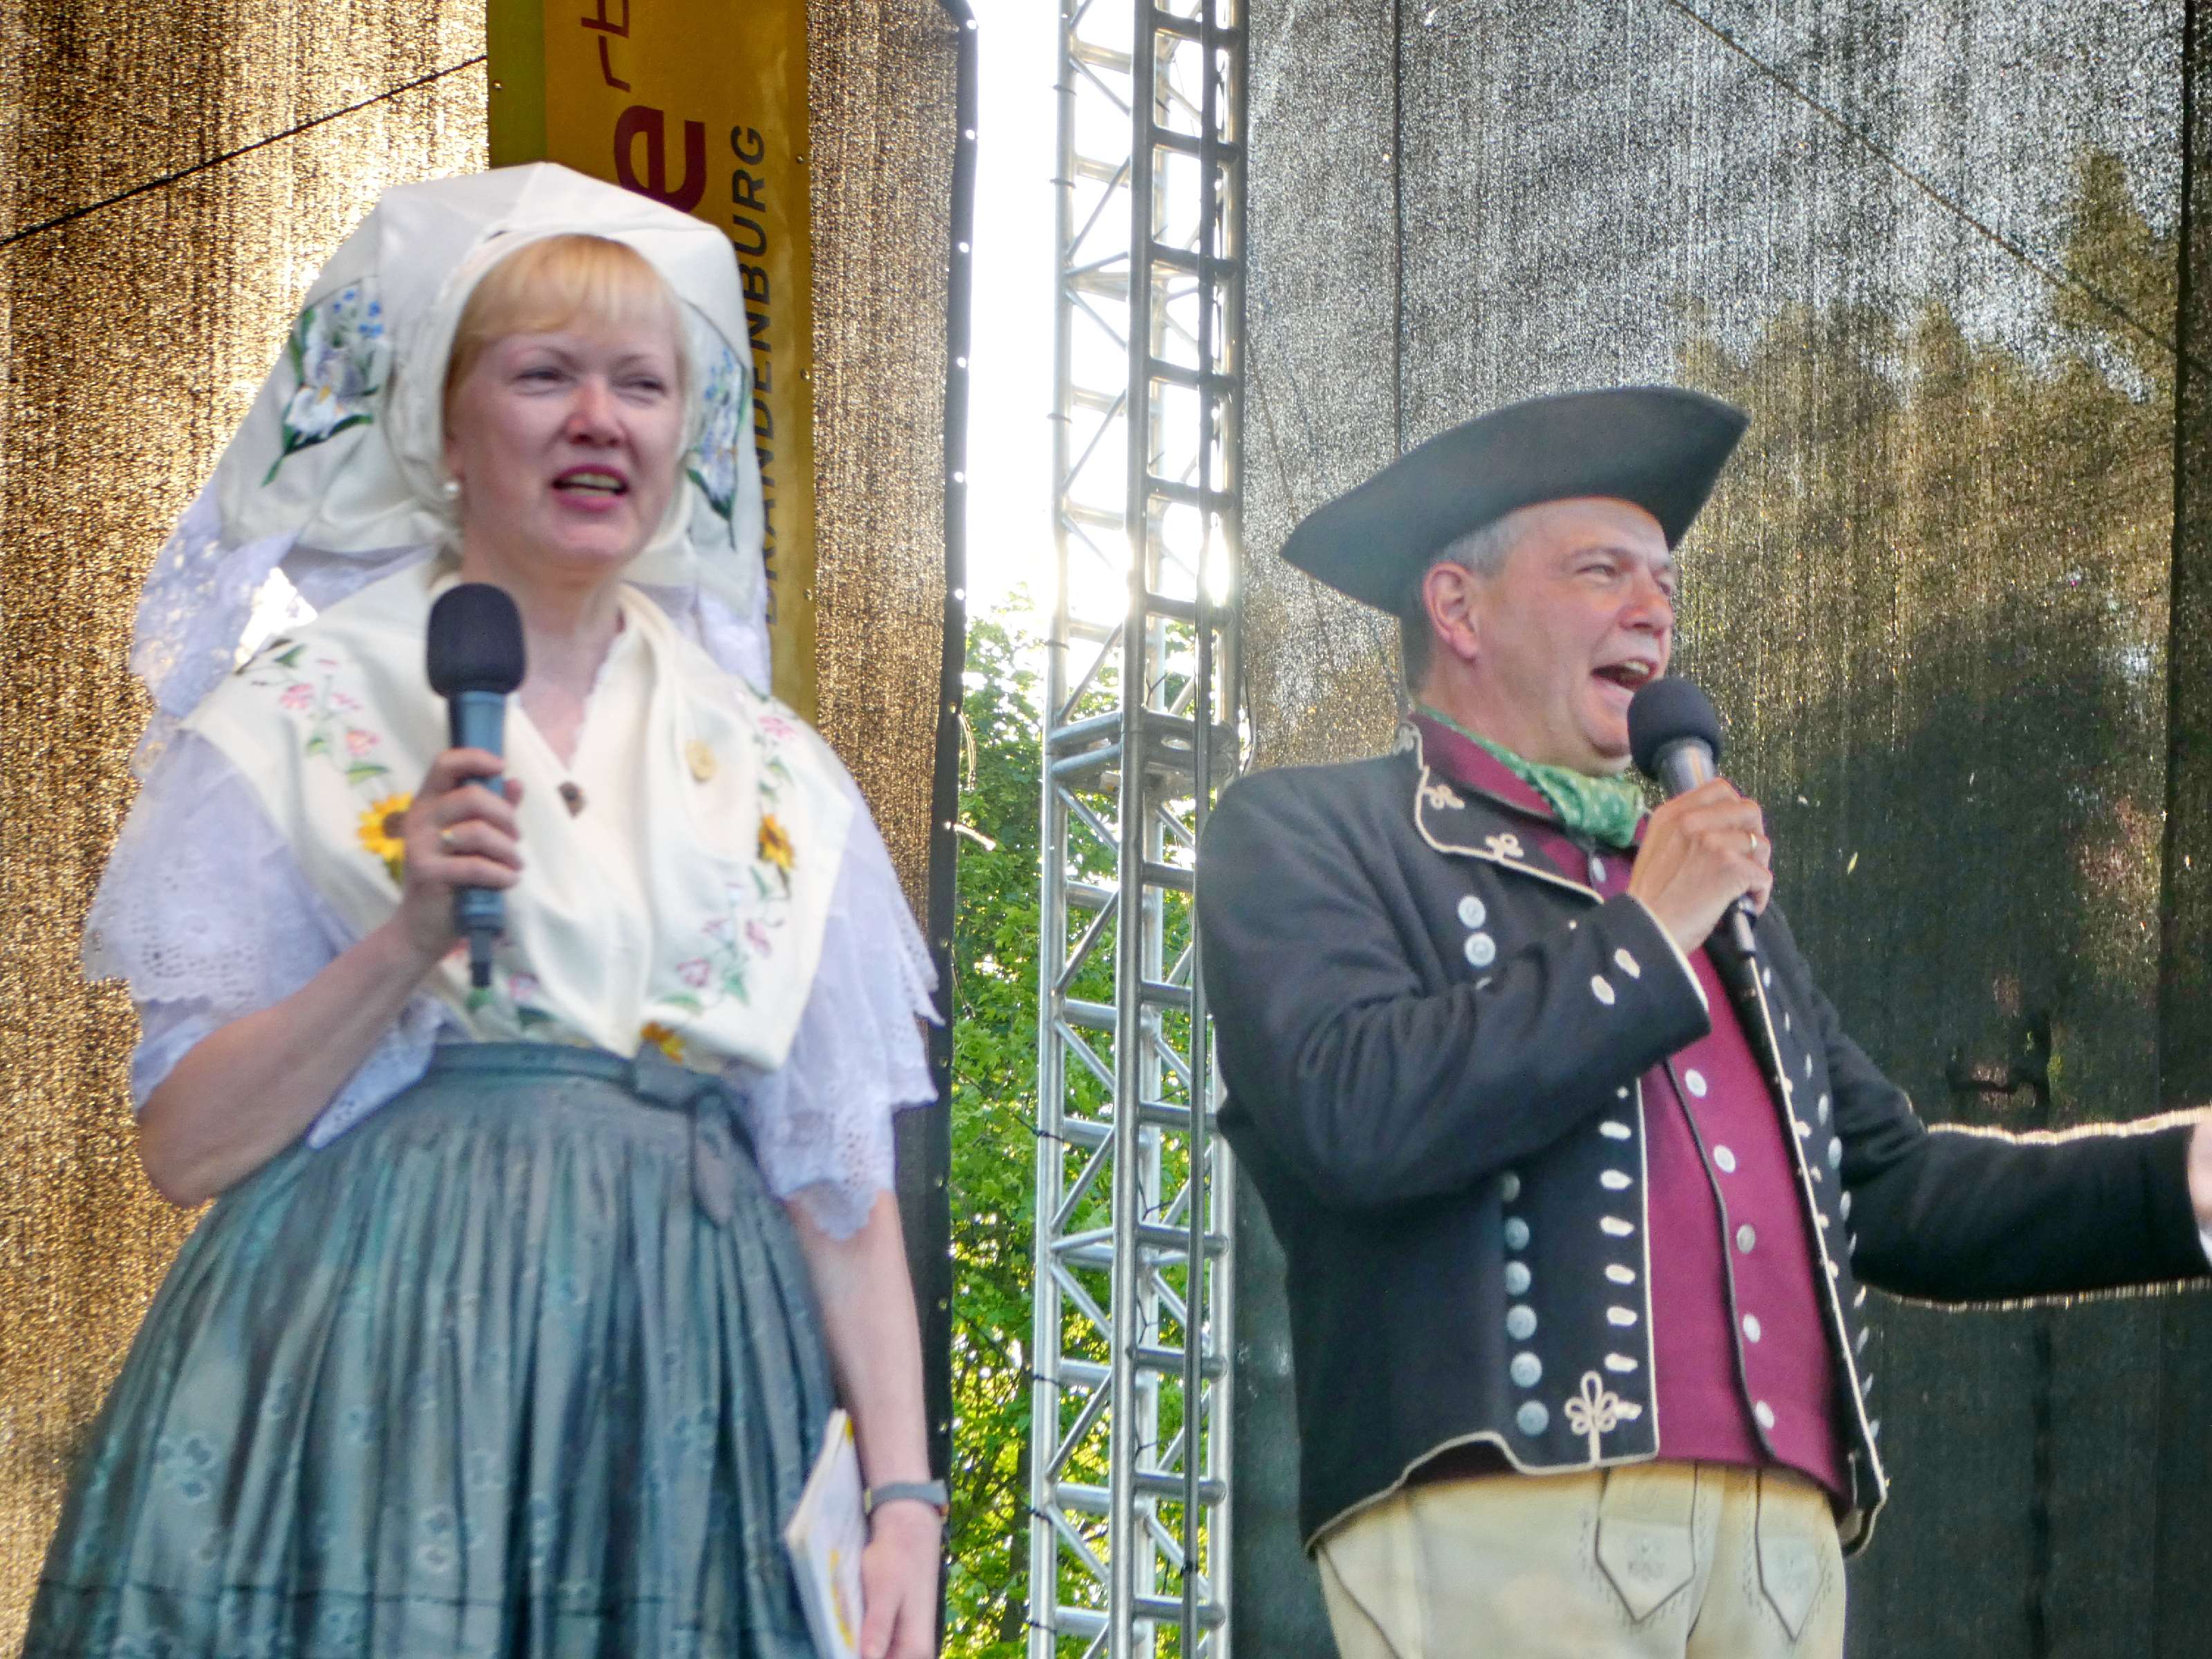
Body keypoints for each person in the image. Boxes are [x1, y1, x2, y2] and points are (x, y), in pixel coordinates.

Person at [26, 165, 942, 1659]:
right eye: (543, 375)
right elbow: (186, 1149)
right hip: (372, 1377)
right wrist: (404, 943)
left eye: (641, 384)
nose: (599, 419)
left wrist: (903, 1501)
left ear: (686, 439)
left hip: (684, 1386)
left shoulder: (775, 771)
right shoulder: (304, 714)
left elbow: (835, 1180)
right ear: (444, 431)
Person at [1193, 385, 2212, 1659]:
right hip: (1508, 1512)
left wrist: (2181, 1176)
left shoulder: (1700, 892)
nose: (1653, 611)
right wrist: (1649, 928)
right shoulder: (1309, 832)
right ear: (1457, 607)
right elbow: (1353, 1112)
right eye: (1601, 571)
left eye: (1664, 583)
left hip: (1785, 1544)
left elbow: (1890, 1187)